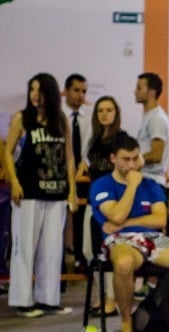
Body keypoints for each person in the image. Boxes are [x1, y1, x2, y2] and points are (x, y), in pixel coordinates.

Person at [89, 133, 169, 332]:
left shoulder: (152, 185)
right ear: (113, 159)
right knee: (124, 263)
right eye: (126, 159)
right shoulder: (101, 185)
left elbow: (159, 220)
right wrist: (131, 186)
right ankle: (127, 324)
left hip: (153, 239)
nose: (132, 164)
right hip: (119, 240)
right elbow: (116, 214)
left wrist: (125, 222)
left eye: (136, 158)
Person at [3, 72, 77, 317]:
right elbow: (7, 152)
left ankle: (48, 298)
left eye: (40, 90)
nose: (35, 95)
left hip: (56, 193)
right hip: (29, 192)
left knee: (52, 248)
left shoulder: (60, 120)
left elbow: (69, 157)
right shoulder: (21, 119)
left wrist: (72, 190)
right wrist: (13, 181)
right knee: (24, 246)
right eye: (31, 89)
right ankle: (23, 300)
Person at [80, 95, 128, 317]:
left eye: (109, 110)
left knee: (109, 251)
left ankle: (111, 299)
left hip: (112, 204)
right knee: (89, 250)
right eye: (100, 110)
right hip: (93, 201)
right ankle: (102, 294)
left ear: (116, 113)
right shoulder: (95, 140)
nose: (105, 114)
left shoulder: (122, 139)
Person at [63, 73, 92, 274]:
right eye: (76, 90)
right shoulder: (57, 114)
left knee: (82, 217)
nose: (80, 95)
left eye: (84, 91)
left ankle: (81, 259)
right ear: (66, 91)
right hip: (60, 173)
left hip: (82, 174)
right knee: (59, 220)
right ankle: (59, 262)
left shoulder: (90, 116)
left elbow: (90, 145)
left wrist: (85, 162)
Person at [134, 72, 169, 187]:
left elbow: (156, 155)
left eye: (139, 88)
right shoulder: (149, 116)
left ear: (151, 93)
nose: (135, 92)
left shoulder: (157, 118)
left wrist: (132, 160)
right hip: (145, 178)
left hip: (152, 180)